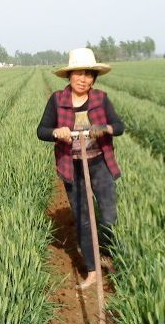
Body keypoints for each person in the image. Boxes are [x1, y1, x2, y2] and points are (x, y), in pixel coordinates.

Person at [37, 48, 124, 290]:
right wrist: (57, 131)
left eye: (88, 74)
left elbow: (119, 126)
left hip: (98, 163)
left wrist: (104, 128)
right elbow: (41, 131)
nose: (83, 79)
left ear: (93, 78)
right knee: (84, 219)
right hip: (72, 165)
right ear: (69, 76)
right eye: (78, 74)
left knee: (108, 214)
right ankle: (93, 270)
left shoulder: (101, 99)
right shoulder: (57, 100)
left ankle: (109, 255)